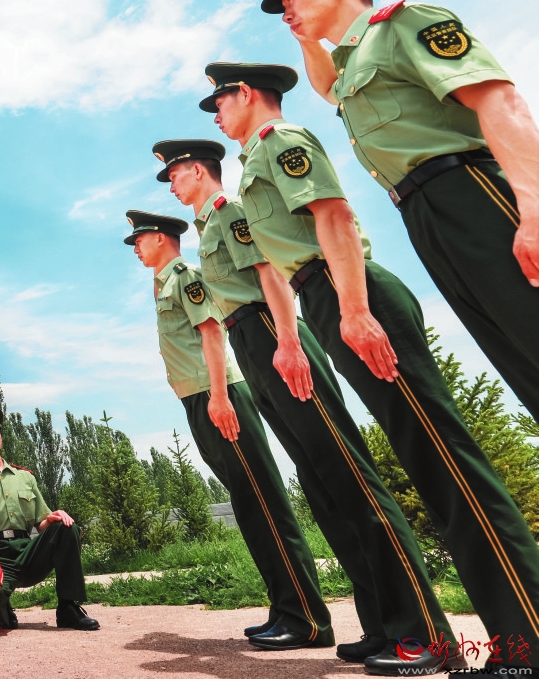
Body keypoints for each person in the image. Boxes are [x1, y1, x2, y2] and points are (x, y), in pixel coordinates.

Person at [205, 59, 538, 674]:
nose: (217, 114)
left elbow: (333, 215)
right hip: (324, 294)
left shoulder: (283, 141)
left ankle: (524, 640)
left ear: (246, 94)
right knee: (428, 462)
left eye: (220, 102)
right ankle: (464, 635)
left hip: (349, 292)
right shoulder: (256, 160)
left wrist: (354, 309)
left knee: (443, 460)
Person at [154, 138, 447, 664]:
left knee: (349, 476)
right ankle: (382, 624)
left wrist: (288, 342)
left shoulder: (231, 210)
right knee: (324, 486)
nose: (171, 185)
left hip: (273, 332)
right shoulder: (207, 227)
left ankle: (423, 632)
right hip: (250, 339)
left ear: (197, 171)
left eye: (175, 175)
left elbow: (269, 274)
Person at [260, 0, 539, 423]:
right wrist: (306, 37)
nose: (285, 11)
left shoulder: (404, 24)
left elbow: (499, 100)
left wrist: (532, 206)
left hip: (474, 192)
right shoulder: (353, 62)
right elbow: (330, 89)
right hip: (424, 216)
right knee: (519, 358)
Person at [126, 209, 334, 652]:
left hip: (217, 395)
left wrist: (219, 397)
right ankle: (286, 608)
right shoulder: (164, 284)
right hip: (198, 396)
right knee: (249, 505)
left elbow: (211, 334)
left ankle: (308, 619)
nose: (136, 248)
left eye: (140, 240)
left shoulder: (184, 276)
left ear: (160, 238)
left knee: (264, 503)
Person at [0, 404, 98, 632]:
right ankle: (2, 608)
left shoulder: (24, 477)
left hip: (27, 552)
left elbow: (40, 524)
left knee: (66, 527)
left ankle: (68, 608)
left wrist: (54, 518)